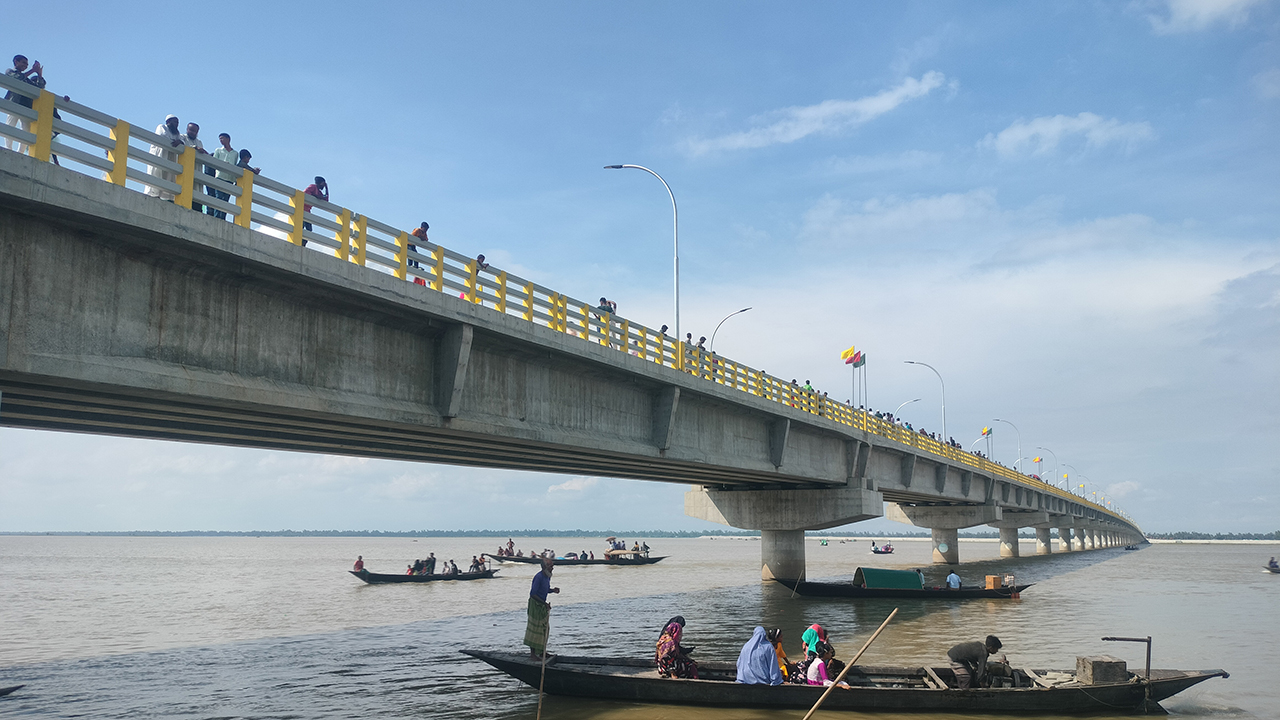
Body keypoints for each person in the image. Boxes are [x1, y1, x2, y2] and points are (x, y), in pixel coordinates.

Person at [4, 55, 45, 155]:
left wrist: (39, 74)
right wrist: (32, 70)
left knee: (26, 130)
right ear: (16, 62)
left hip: (26, 107)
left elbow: (40, 87)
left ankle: (20, 152)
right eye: (23, 63)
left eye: (27, 64)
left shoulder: (27, 80)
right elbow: (18, 78)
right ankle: (8, 148)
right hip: (14, 104)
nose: (25, 66)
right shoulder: (10, 71)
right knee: (10, 126)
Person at [524, 557, 560, 659]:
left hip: (542, 605)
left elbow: (544, 589)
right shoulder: (538, 577)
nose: (552, 568)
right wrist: (544, 604)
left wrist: (552, 590)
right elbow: (533, 594)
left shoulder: (547, 576)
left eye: (552, 566)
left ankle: (542, 652)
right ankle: (533, 654)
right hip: (535, 605)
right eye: (550, 566)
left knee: (544, 629)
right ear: (544, 567)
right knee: (535, 629)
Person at [146, 115, 185, 201]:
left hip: (170, 158)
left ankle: (164, 197)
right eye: (174, 122)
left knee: (168, 177)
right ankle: (153, 195)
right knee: (156, 174)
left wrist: (180, 142)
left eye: (177, 123)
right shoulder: (162, 127)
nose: (176, 124)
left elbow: (182, 142)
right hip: (160, 155)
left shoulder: (177, 133)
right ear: (168, 122)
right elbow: (163, 137)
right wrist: (176, 142)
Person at [207, 133, 238, 219]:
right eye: (220, 139)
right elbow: (214, 162)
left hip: (230, 178)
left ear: (228, 139)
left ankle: (223, 218)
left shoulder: (235, 153)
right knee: (219, 198)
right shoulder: (218, 150)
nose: (221, 141)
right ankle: (217, 217)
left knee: (226, 200)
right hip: (220, 176)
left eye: (222, 138)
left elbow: (235, 165)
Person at [182, 123, 209, 211]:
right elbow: (183, 147)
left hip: (196, 169)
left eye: (195, 131)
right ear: (187, 129)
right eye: (191, 130)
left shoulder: (199, 142)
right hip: (185, 168)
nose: (193, 133)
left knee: (196, 190)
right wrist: (195, 148)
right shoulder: (183, 137)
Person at [301, 176, 328, 243]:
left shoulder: (318, 192)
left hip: (307, 211)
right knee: (301, 227)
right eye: (323, 184)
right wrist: (315, 196)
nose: (323, 186)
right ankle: (299, 242)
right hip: (302, 209)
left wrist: (327, 189)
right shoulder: (313, 187)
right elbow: (305, 193)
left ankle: (302, 244)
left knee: (309, 230)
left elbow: (326, 200)